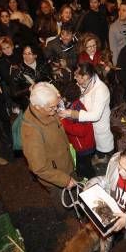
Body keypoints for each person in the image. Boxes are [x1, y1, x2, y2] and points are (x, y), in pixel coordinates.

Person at [21, 82, 77, 218]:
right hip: (56, 176)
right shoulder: (31, 130)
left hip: (64, 162)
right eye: (52, 107)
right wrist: (65, 180)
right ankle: (65, 219)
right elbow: (39, 168)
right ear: (37, 106)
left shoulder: (46, 110)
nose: (56, 110)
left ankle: (74, 206)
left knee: (73, 195)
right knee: (61, 201)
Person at [59, 63, 114, 164]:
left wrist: (73, 114)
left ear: (85, 76)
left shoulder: (101, 90)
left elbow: (95, 116)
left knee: (102, 149)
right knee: (92, 146)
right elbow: (75, 92)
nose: (75, 78)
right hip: (88, 125)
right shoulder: (84, 83)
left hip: (98, 126)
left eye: (77, 76)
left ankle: (103, 160)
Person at [59, 81, 96, 181]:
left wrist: (63, 122)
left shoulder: (78, 109)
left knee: (86, 167)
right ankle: (83, 177)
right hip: (81, 144)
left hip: (84, 146)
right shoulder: (74, 105)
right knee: (81, 166)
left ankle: (92, 183)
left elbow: (81, 131)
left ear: (66, 97)